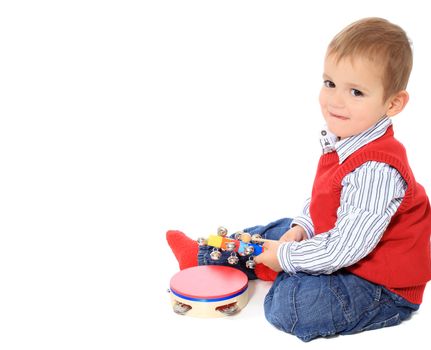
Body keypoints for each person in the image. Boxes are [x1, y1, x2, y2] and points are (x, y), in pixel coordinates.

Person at [166, 17, 431, 341]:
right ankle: (203, 255)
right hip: (340, 246)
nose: (335, 100)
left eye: (356, 91)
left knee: (290, 308)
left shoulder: (377, 170)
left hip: (378, 283)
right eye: (330, 83)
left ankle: (277, 269)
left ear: (393, 103)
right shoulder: (346, 139)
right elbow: (323, 200)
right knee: (279, 230)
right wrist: (301, 228)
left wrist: (285, 257)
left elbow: (344, 249)